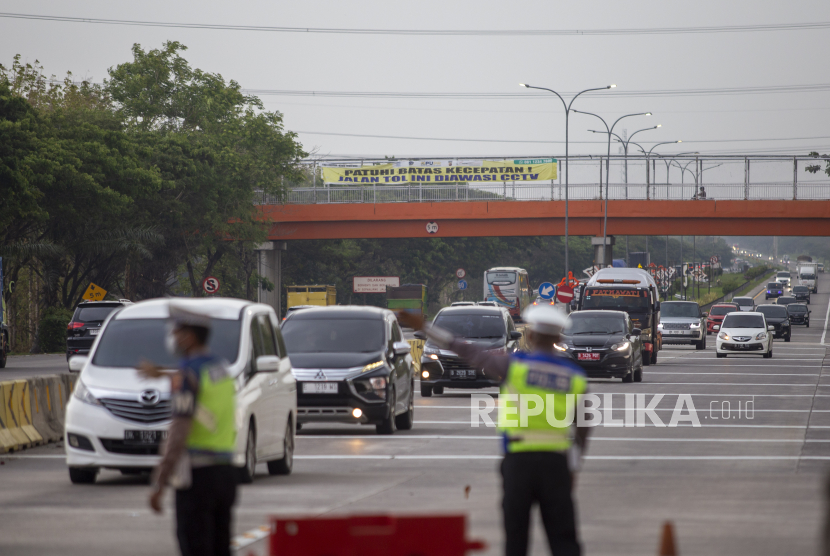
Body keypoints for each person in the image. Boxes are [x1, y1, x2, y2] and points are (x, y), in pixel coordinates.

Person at [398, 305, 590, 556]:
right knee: (564, 540)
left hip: (518, 463)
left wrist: (424, 326)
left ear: (530, 337)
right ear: (559, 339)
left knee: (516, 538)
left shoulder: (514, 366)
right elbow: (583, 428)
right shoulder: (575, 376)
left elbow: (466, 350)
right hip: (556, 465)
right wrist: (573, 468)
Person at [139, 303, 237, 556]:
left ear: (189, 336)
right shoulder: (220, 369)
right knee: (220, 547)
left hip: (198, 479)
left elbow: (179, 431)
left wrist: (160, 481)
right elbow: (196, 384)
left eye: (177, 332)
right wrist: (162, 374)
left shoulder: (187, 375)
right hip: (226, 473)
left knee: (195, 547)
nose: (173, 338)